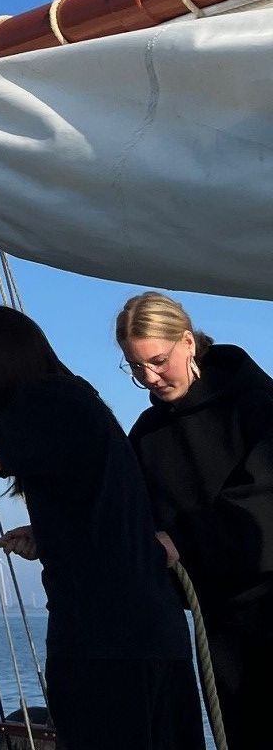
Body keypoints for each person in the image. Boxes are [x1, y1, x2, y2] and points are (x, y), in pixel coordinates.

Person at [0, 304, 202, 750]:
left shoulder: (48, 399)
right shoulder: (72, 399)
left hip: (102, 637)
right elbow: (98, 505)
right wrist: (49, 534)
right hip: (147, 630)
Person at [116, 290, 273, 749]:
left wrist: (181, 540)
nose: (149, 378)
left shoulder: (256, 406)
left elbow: (264, 500)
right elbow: (122, 513)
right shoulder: (147, 434)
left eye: (158, 361)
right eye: (136, 367)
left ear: (187, 341)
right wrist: (49, 534)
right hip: (218, 625)